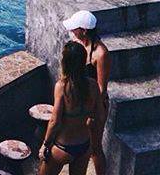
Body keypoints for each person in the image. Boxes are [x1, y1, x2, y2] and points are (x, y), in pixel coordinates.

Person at [38, 41, 103, 175]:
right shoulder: (93, 85)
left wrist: (45, 144)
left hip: (63, 146)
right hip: (84, 145)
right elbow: (100, 116)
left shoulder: (62, 87)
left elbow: (54, 122)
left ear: (65, 62)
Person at [63, 10, 111, 175]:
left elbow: (101, 89)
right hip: (80, 102)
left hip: (94, 105)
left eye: (75, 28)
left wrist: (92, 113)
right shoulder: (77, 44)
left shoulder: (101, 53)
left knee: (95, 148)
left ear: (84, 30)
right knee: (81, 146)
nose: (72, 31)